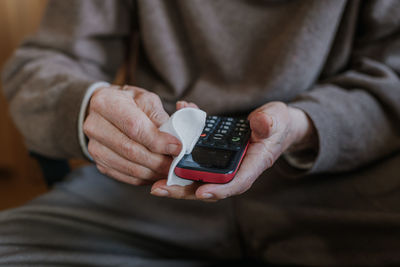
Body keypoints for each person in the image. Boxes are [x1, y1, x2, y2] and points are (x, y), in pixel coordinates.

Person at [1, 0, 399, 265]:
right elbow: (40, 65)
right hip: (149, 182)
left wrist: (303, 126)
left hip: (341, 187)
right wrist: (89, 106)